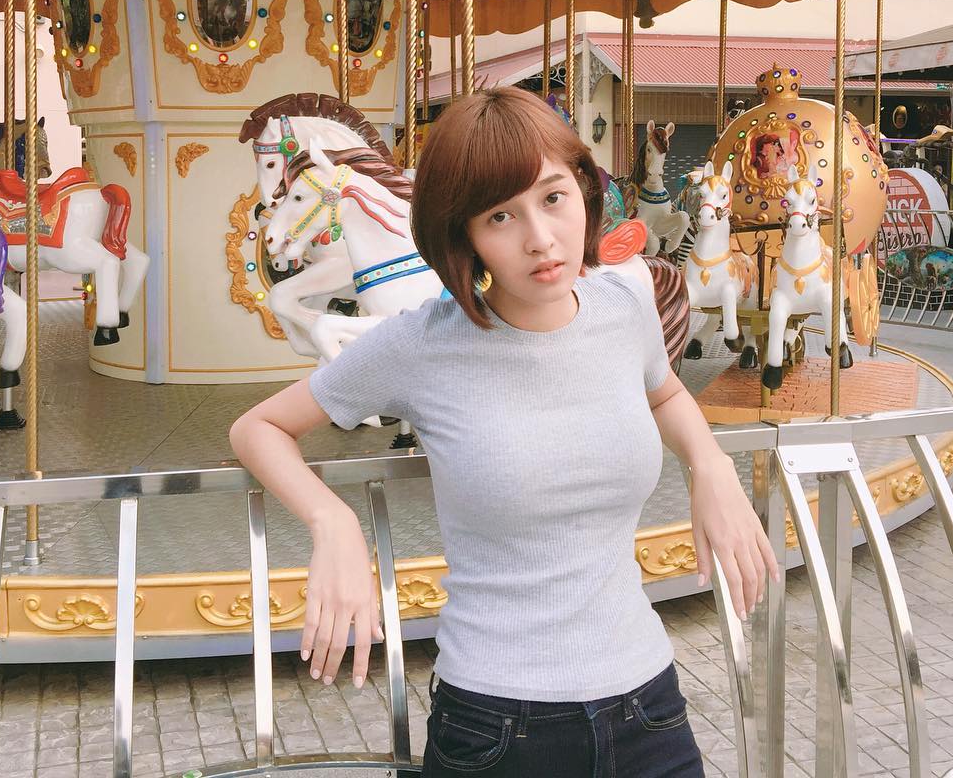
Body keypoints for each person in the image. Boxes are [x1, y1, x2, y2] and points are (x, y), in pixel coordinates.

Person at [230, 87, 778, 777]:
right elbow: (260, 428)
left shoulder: (622, 302)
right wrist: (332, 522)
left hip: (648, 707)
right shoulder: (423, 343)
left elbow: (662, 388)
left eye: (553, 197)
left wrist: (710, 466)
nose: (540, 238)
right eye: (500, 215)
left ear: (584, 190)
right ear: (464, 234)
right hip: (496, 724)